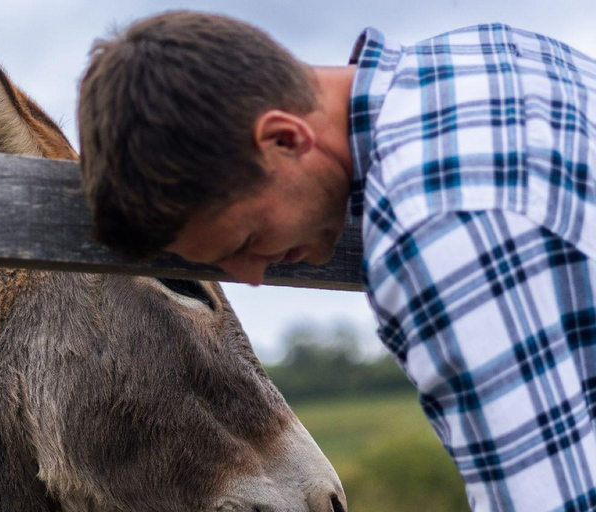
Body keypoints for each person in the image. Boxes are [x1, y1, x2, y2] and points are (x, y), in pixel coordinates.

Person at [77, 11, 596, 512]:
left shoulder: (436, 229)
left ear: (285, 138)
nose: (253, 277)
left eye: (246, 240)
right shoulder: (491, 55)